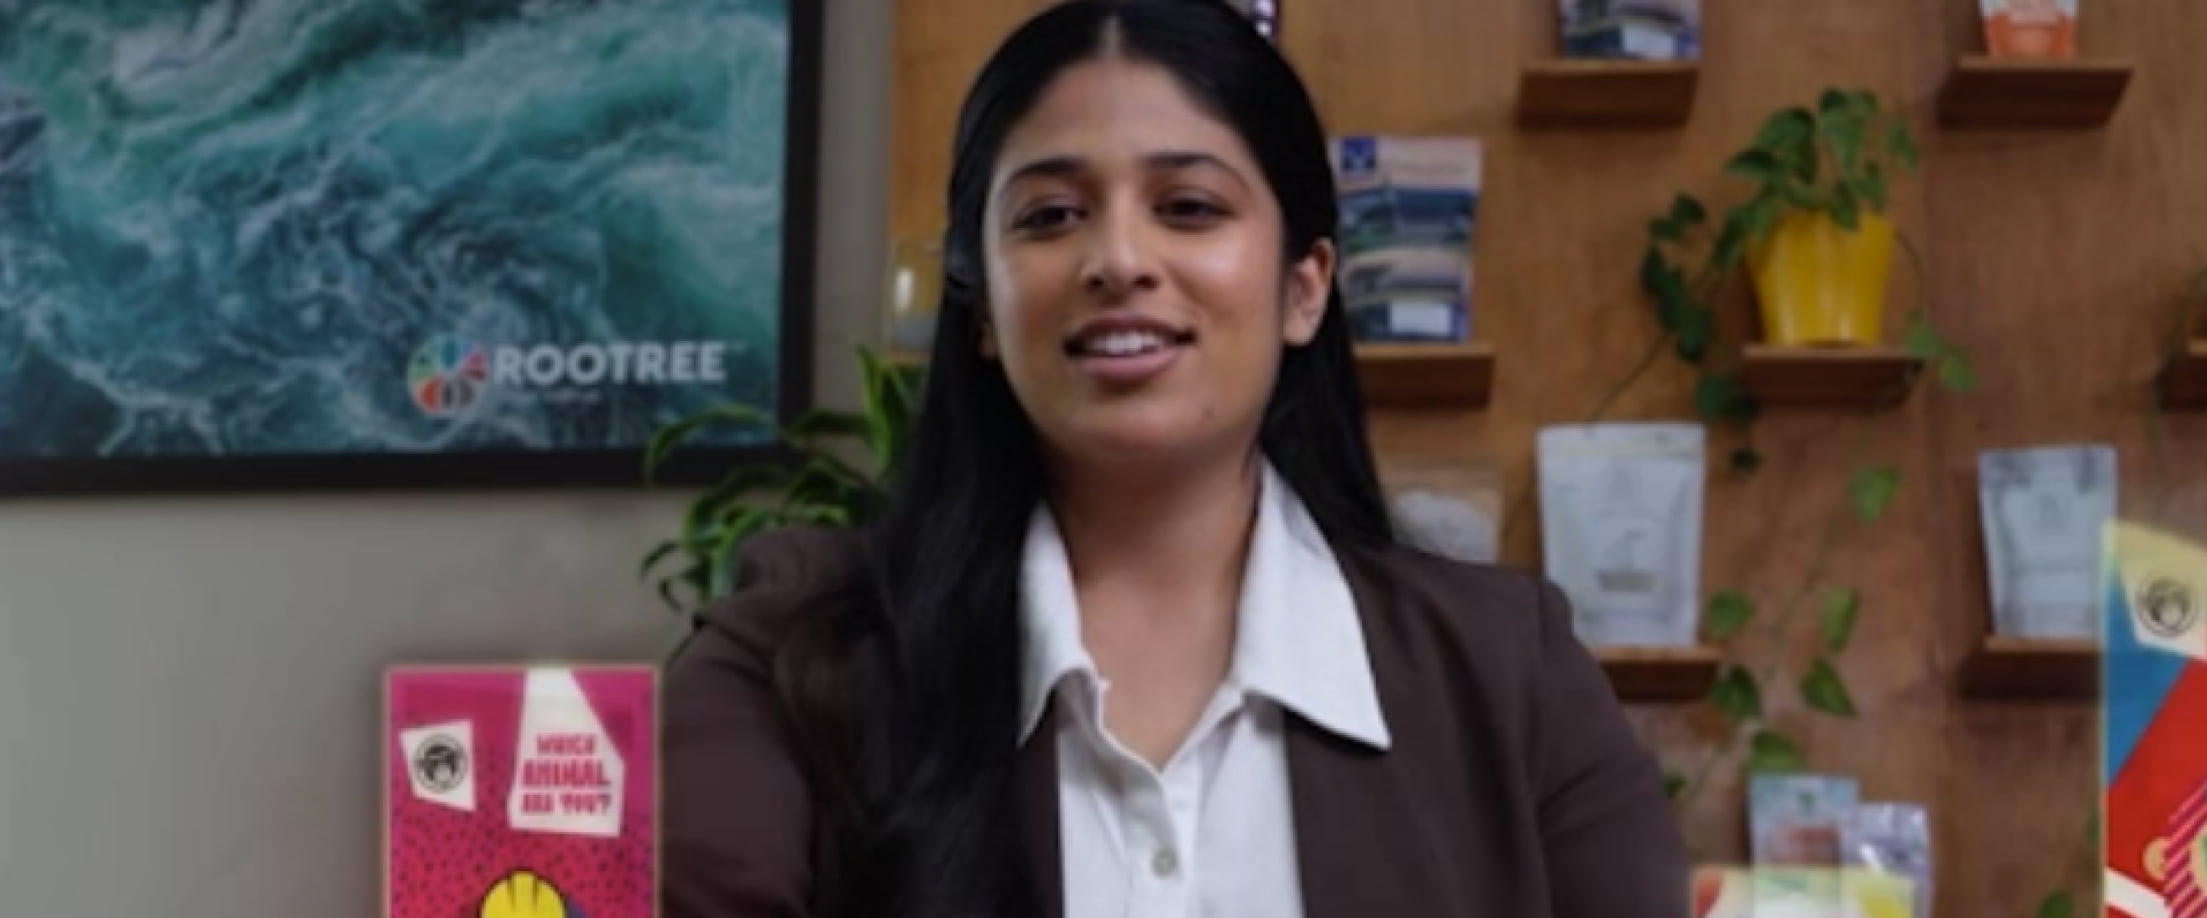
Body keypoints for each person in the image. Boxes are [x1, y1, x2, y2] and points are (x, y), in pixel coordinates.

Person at [661, 1, 1689, 916]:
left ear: (1304, 287)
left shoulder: (1513, 676)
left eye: (1189, 207)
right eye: (1051, 216)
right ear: (980, 309)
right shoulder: (796, 657)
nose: (1119, 259)